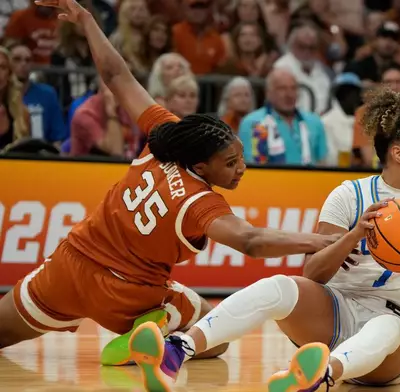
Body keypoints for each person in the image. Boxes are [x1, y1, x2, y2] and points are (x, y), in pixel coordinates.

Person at [0, 0, 339, 366]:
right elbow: (251, 241)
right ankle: (158, 325)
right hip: (129, 294)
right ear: (200, 164)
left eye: (240, 156)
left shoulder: (165, 136)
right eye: (230, 162)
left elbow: (116, 77)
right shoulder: (198, 202)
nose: (241, 168)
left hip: (68, 267)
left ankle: (148, 329)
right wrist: (318, 240)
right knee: (214, 338)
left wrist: (86, 20)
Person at [128, 88, 400, 391]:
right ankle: (177, 349)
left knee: (386, 325)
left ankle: (322, 374)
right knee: (280, 285)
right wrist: (355, 235)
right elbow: (312, 274)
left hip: (395, 337)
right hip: (333, 313)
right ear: (399, 153)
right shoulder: (349, 195)